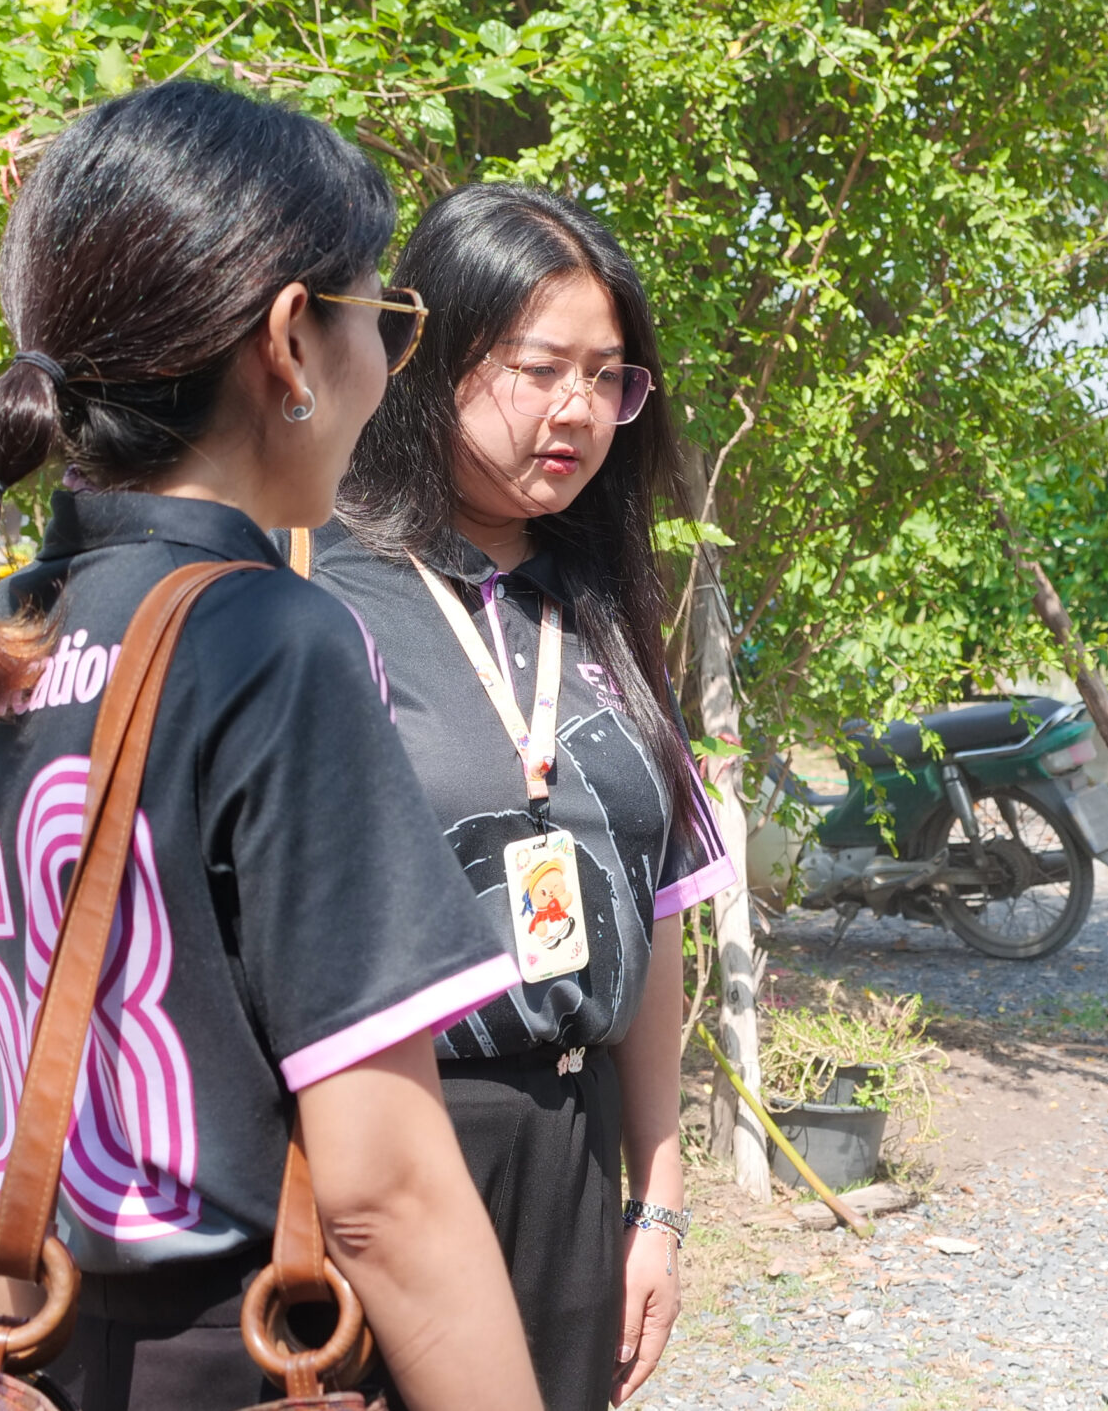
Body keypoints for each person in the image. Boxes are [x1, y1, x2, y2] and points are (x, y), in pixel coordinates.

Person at [0, 82, 543, 1411]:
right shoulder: (266, 635)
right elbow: (384, 1194)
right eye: (385, 318)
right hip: (240, 1358)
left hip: (41, 1348)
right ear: (291, 342)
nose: (389, 364)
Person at [294, 181, 730, 1411]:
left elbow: (656, 918)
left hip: (576, 1158)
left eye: (608, 378)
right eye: (540, 369)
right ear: (430, 359)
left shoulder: (604, 606)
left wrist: (657, 1206)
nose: (577, 410)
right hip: (387, 1157)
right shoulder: (315, 586)